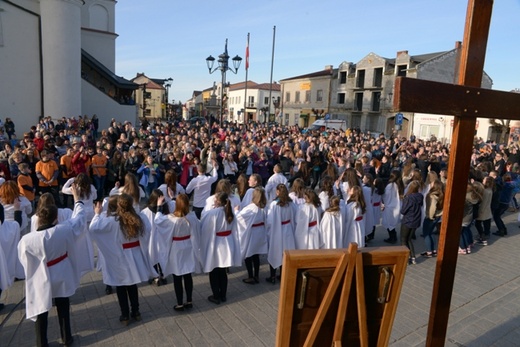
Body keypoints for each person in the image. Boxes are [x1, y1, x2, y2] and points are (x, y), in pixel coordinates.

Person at [18, 184, 85, 347]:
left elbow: (23, 259)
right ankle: (67, 338)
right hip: (61, 271)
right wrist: (77, 199)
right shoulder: (64, 229)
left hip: (41, 275)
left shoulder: (27, 240)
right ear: (56, 218)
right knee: (63, 305)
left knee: (41, 309)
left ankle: (42, 343)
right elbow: (80, 219)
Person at [89, 194, 156, 325]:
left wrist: (97, 214)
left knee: (121, 285)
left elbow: (93, 228)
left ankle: (125, 315)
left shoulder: (112, 221)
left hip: (120, 256)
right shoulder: (138, 218)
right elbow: (148, 230)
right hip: (135, 254)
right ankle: (136, 312)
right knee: (132, 284)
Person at [155, 193, 200, 310]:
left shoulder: (171, 219)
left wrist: (159, 207)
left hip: (176, 248)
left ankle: (180, 303)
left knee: (177, 276)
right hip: (188, 246)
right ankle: (189, 300)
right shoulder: (192, 217)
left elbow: (157, 221)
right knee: (188, 274)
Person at [200, 192, 241, 304]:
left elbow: (204, 227)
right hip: (228, 242)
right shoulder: (230, 212)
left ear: (217, 201)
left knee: (214, 271)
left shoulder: (212, 213)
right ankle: (223, 295)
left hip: (216, 244)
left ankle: (216, 295)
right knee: (222, 271)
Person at [62, 173, 96, 276]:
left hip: (80, 212)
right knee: (90, 237)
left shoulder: (75, 188)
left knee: (82, 236)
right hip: (90, 213)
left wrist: (70, 180)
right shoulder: (91, 187)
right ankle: (92, 254)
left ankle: (84, 255)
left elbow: (63, 189)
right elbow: (95, 196)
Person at [236, 187, 268, 284]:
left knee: (248, 254)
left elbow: (239, 217)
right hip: (260, 231)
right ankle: (256, 275)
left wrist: (236, 210)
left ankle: (251, 276)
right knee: (256, 255)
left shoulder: (251, 208)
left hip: (252, 233)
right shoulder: (264, 206)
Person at [266, 184, 297, 284]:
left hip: (277, 230)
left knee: (275, 251)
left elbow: (270, 221)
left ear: (278, 192)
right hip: (288, 229)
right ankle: (283, 274)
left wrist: (269, 231)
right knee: (285, 252)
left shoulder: (274, 205)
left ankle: (272, 276)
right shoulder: (291, 203)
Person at [141, 189, 168, 286]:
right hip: (161, 238)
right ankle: (162, 275)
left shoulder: (144, 212)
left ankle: (155, 276)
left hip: (150, 239)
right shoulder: (165, 210)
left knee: (152, 256)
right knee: (161, 256)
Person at [400, 180, 424, 265]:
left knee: (403, 239)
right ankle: (413, 257)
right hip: (416, 220)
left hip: (407, 220)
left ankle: (405, 259)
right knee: (409, 239)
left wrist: (404, 201)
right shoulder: (420, 196)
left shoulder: (408, 197)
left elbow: (403, 211)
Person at [421, 179, 444, 257]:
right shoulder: (441, 194)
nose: (430, 183)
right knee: (431, 233)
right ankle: (433, 250)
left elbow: (432, 207)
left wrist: (430, 216)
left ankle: (429, 251)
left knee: (426, 234)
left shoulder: (431, 195)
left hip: (431, 217)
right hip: (438, 215)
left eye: (432, 183)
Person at [382, 170, 404, 244]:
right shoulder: (399, 184)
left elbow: (386, 196)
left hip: (390, 206)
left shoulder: (390, 185)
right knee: (392, 223)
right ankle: (393, 237)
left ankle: (392, 238)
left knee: (389, 223)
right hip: (397, 206)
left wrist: (383, 203)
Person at [475, 176, 494, 245]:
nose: (483, 180)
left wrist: (480, 211)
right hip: (487, 210)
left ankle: (482, 237)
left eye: (484, 179)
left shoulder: (485, 191)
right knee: (486, 222)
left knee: (478, 224)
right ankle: (486, 233)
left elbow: (484, 202)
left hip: (483, 210)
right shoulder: (490, 189)